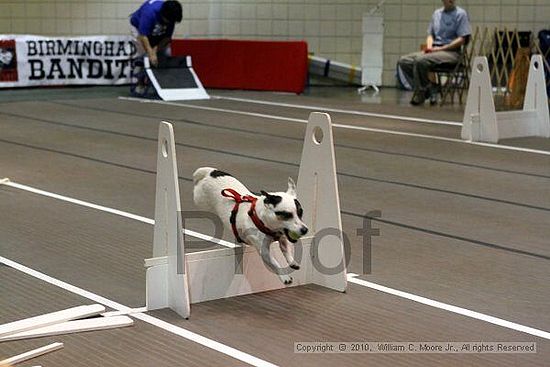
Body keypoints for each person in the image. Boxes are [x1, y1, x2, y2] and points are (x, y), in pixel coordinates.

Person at [397, 0, 471, 105]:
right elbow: (430, 35)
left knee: (420, 60)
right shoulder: (437, 14)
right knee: (404, 61)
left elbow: (462, 39)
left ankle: (421, 92)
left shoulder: (461, 14)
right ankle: (430, 87)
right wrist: (430, 47)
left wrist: (442, 49)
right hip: (435, 50)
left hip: (452, 53)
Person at [130, 0, 183, 94]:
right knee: (145, 56)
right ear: (163, 15)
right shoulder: (149, 13)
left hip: (157, 33)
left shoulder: (171, 16)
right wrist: (150, 53)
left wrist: (155, 50)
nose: (170, 23)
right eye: (169, 21)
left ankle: (162, 83)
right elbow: (143, 36)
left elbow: (167, 38)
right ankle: (140, 83)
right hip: (138, 29)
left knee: (165, 53)